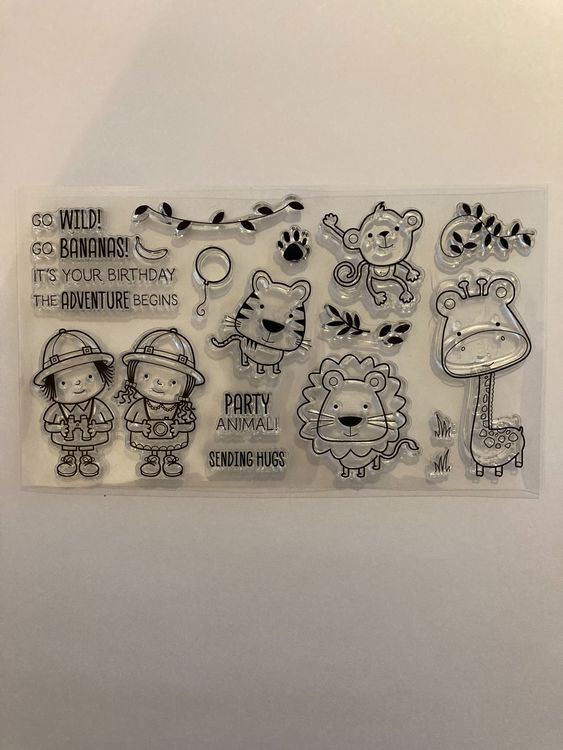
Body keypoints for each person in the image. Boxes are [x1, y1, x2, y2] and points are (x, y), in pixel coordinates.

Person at [116, 328, 205, 478]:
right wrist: (143, 427)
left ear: (186, 386)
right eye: (146, 376)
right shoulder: (139, 406)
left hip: (172, 440)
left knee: (170, 452)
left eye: (173, 382)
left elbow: (190, 425)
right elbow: (130, 424)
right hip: (147, 440)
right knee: (151, 452)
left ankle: (170, 460)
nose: (159, 384)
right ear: (133, 374)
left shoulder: (181, 409)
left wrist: (177, 427)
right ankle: (152, 460)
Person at [34, 329, 114, 478]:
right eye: (64, 383)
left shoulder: (98, 407)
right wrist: (61, 427)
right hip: (66, 441)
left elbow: (108, 424)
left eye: (89, 377)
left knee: (88, 452)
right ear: (51, 387)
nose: (78, 385)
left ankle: (87, 460)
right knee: (68, 452)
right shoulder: (56, 410)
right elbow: (48, 426)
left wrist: (95, 427)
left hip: (90, 440)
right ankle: (68, 460)